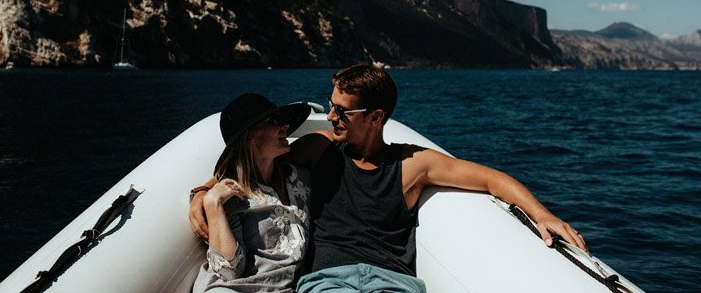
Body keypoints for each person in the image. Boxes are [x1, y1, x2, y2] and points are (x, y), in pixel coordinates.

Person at [191, 65, 588, 293]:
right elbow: (250, 163)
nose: (330, 117)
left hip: (392, 285)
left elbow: (490, 179)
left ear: (375, 117)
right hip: (326, 283)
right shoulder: (319, 148)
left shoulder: (414, 166)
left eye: (342, 111)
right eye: (331, 107)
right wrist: (204, 191)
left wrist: (542, 214)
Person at [191, 93, 313, 293]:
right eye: (275, 121)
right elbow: (229, 272)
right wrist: (212, 202)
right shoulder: (230, 194)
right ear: (250, 137)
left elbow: (329, 139)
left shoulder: (299, 178)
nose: (286, 127)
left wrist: (202, 189)